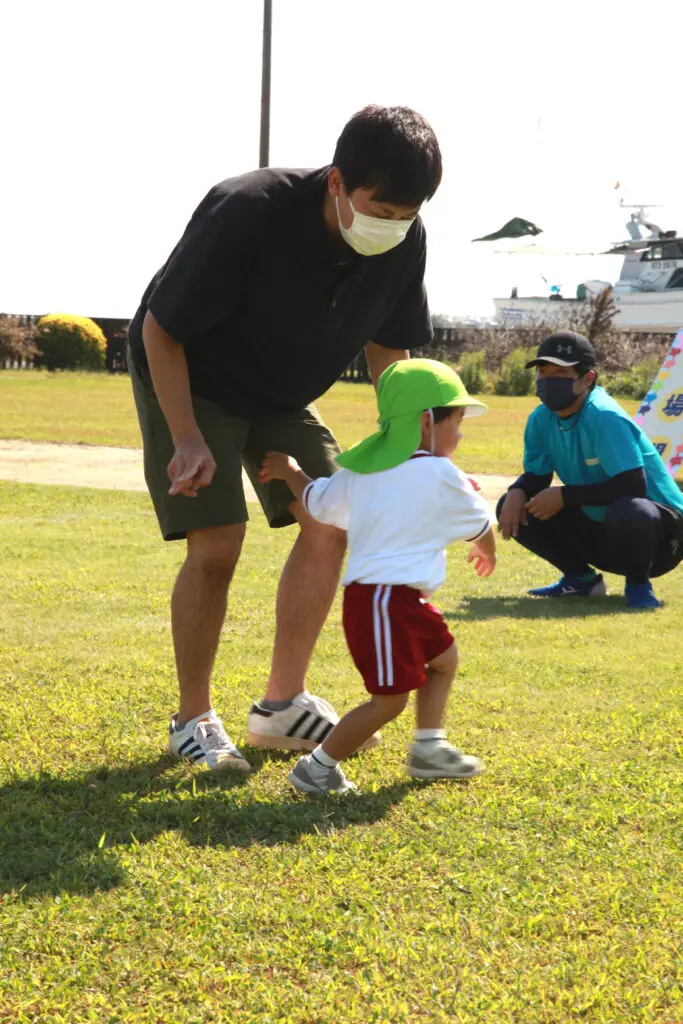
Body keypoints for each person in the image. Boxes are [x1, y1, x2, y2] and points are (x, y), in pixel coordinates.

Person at [126, 106, 442, 769]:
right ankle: (193, 718)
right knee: (218, 543)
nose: (391, 223)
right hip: (193, 375)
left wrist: (411, 448)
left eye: (407, 211)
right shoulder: (246, 210)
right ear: (336, 182)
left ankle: (281, 705)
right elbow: (163, 329)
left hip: (280, 392)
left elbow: (390, 350)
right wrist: (187, 438)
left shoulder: (402, 238)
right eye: (379, 206)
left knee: (332, 517)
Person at [259, 359, 496, 795]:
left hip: (395, 602)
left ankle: (429, 745)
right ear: (427, 422)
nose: (461, 434)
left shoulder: (362, 471)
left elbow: (319, 502)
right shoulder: (442, 473)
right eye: (458, 421)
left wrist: (292, 473)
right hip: (387, 603)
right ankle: (317, 767)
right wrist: (486, 548)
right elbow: (479, 522)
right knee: (389, 701)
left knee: (444, 660)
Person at [497, 331, 683, 609]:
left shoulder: (604, 416)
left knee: (630, 509)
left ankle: (639, 585)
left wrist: (564, 496)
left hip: (662, 537)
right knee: (512, 505)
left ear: (588, 379)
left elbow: (633, 486)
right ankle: (581, 580)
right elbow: (538, 476)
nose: (548, 380)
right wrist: (517, 491)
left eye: (560, 371)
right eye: (543, 371)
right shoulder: (540, 419)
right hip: (606, 528)